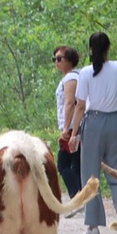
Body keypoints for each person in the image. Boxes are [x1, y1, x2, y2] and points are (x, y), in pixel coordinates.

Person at [73, 31, 117, 234]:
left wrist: (73, 133)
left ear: (90, 49)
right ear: (108, 48)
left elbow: (81, 105)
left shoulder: (84, 72)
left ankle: (93, 227)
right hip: (115, 122)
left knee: (90, 175)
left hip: (93, 123)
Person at [52, 46, 84, 197]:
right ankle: (83, 198)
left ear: (70, 60)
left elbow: (70, 103)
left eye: (59, 59)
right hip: (78, 126)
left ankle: (77, 196)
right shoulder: (78, 75)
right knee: (76, 165)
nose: (56, 62)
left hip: (71, 128)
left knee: (63, 165)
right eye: (54, 59)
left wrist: (65, 129)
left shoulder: (71, 78)